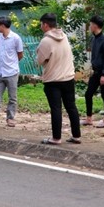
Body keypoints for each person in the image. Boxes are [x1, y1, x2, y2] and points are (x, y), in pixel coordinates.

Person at [36, 13, 81, 145]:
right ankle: (76, 135)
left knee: (56, 109)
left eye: (41, 24)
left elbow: (39, 60)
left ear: (45, 24)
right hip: (68, 77)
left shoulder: (46, 41)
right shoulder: (64, 36)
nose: (40, 27)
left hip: (53, 80)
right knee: (71, 107)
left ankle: (56, 138)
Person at [81, 15, 104, 128]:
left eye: (90, 24)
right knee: (88, 93)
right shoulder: (94, 38)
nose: (89, 27)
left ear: (95, 25)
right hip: (96, 72)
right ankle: (89, 118)